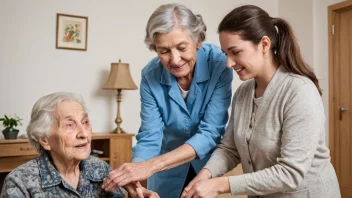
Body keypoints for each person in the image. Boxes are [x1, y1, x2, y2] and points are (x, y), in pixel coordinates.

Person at [181, 5, 341, 198]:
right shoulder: (243, 93)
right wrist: (205, 175)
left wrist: (220, 185)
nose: (229, 63)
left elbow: (290, 174)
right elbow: (229, 149)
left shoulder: (300, 92)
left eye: (235, 52)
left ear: (264, 45)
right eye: (225, 54)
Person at [102, 3, 233, 198]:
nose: (175, 59)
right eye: (163, 51)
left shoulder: (220, 65)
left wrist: (150, 166)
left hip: (205, 166)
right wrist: (136, 177)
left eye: (182, 48)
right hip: (166, 171)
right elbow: (150, 135)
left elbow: (211, 132)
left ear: (198, 41)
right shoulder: (150, 75)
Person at [0, 92, 157, 198]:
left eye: (85, 122)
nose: (84, 133)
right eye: (70, 125)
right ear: (44, 139)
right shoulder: (19, 182)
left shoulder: (100, 169)